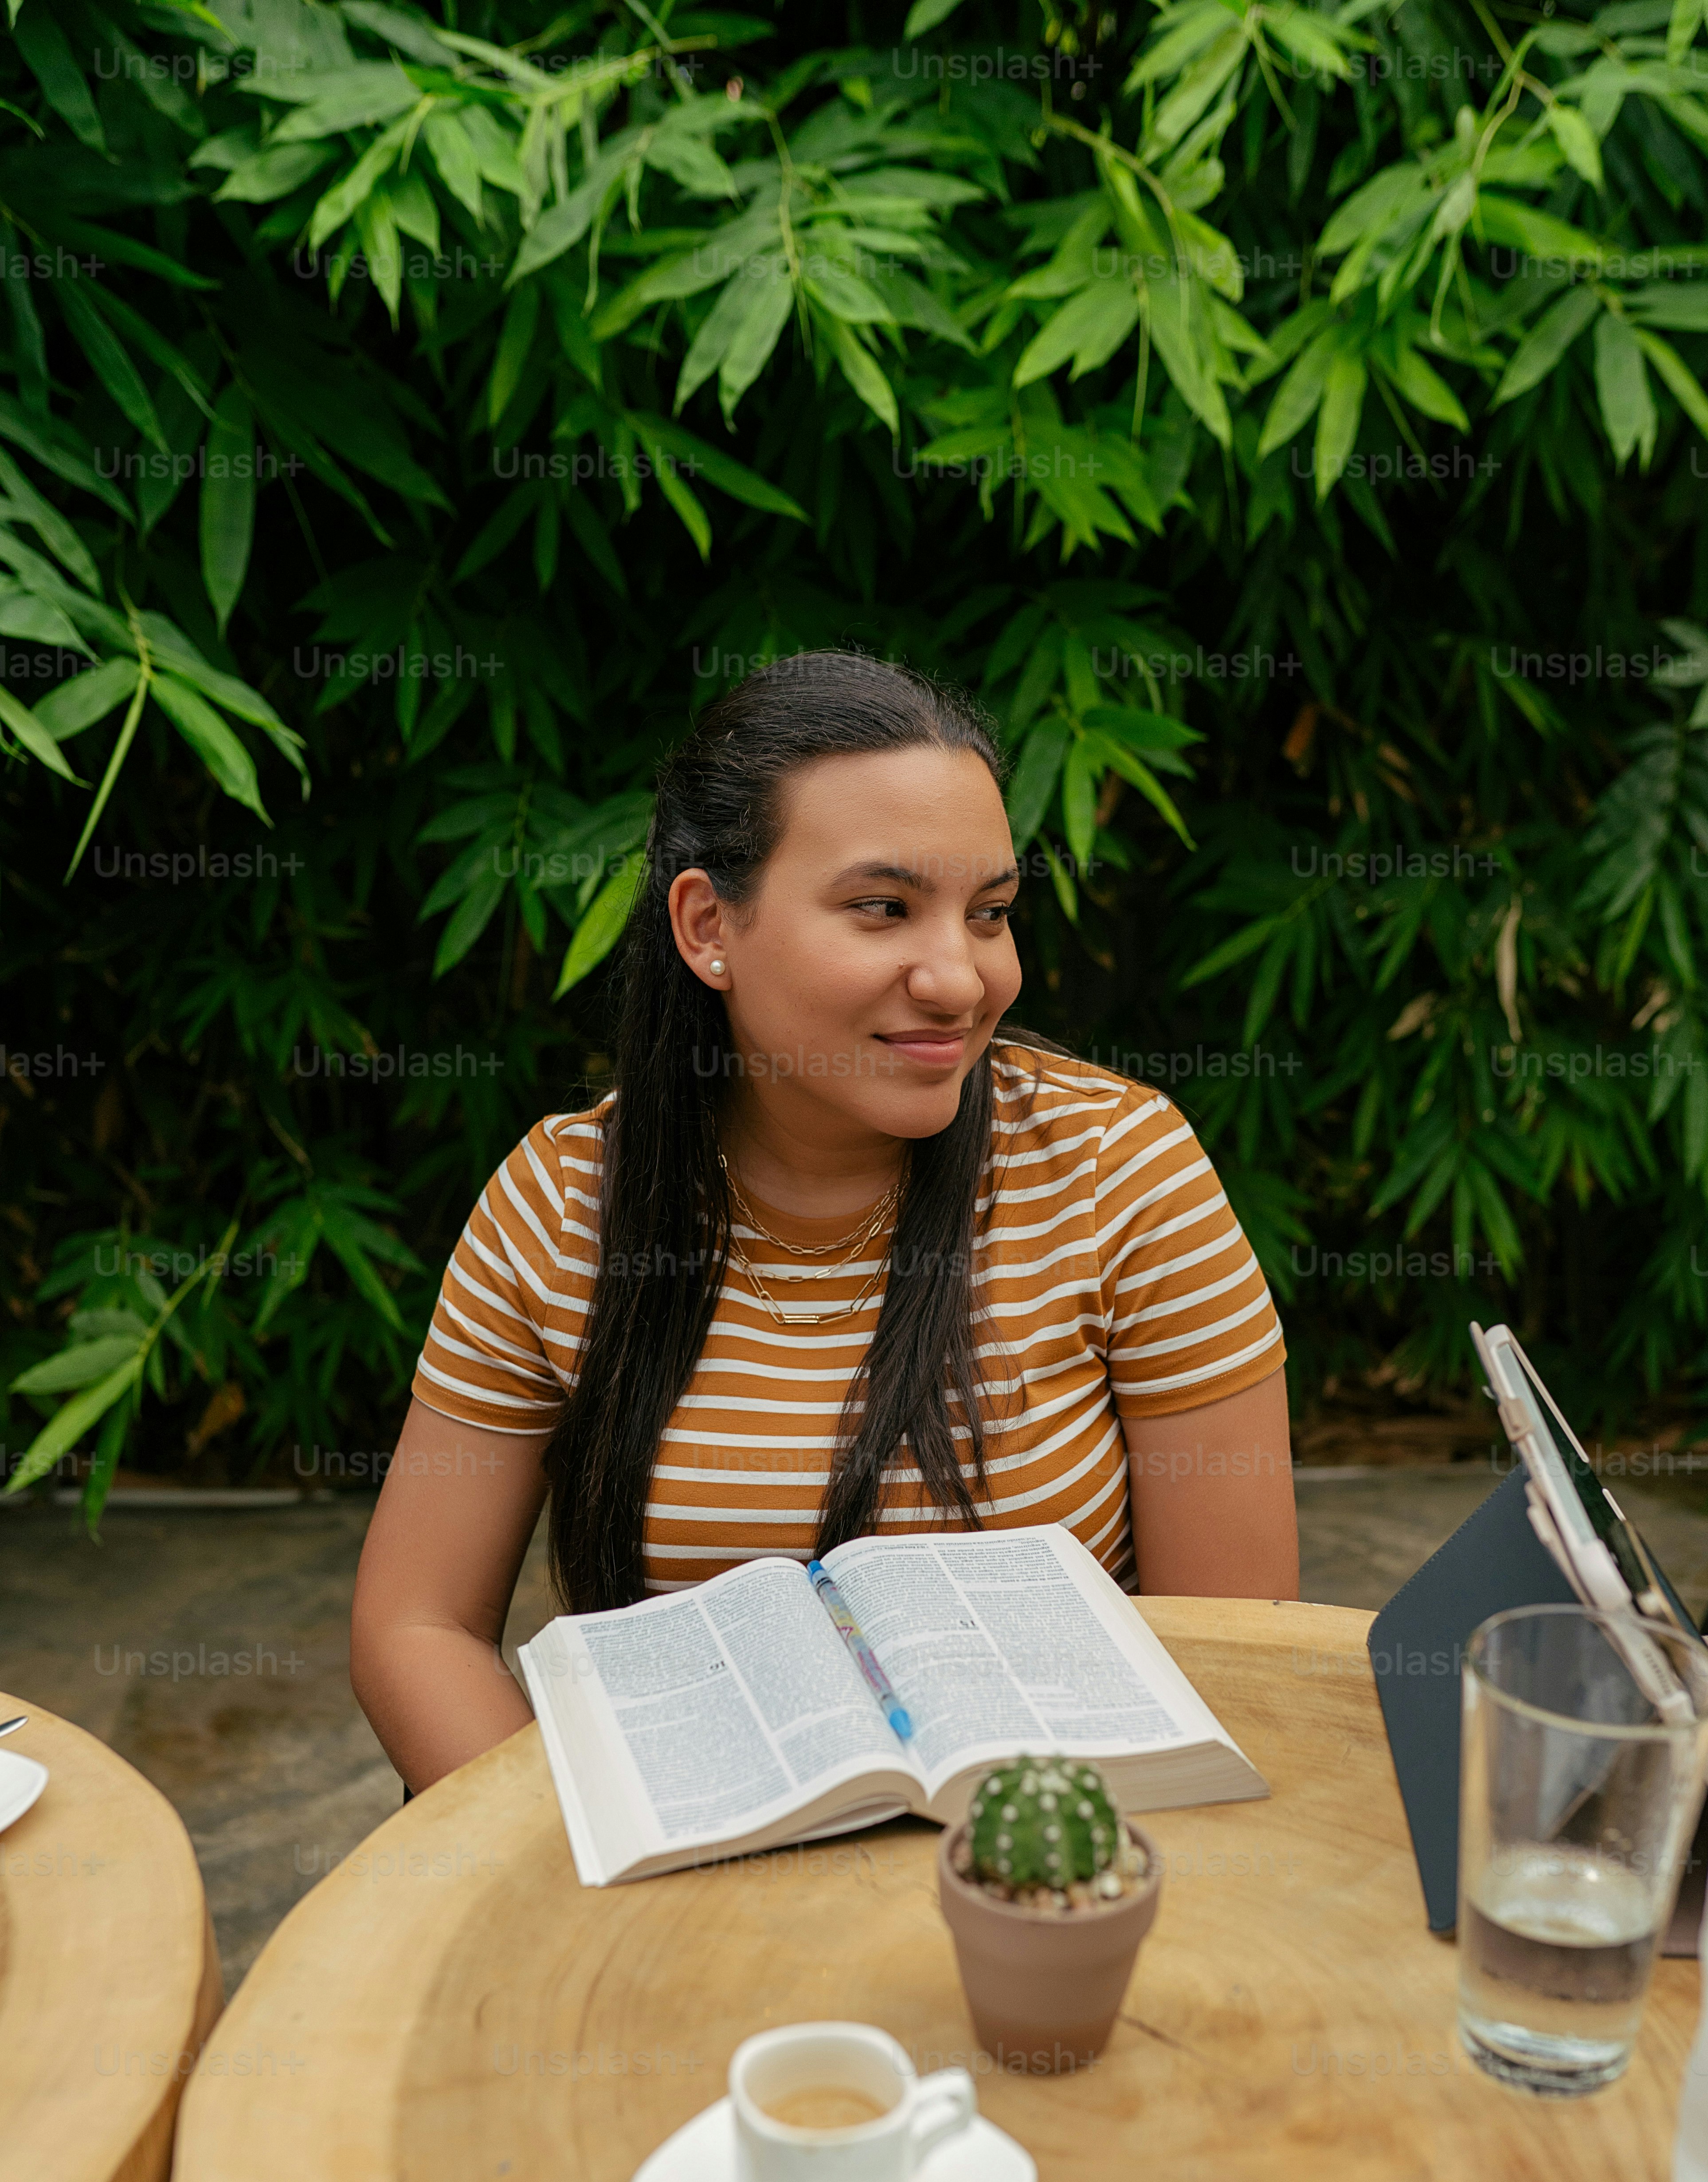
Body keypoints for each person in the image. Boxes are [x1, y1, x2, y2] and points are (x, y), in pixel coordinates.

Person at [351, 652, 1297, 1793]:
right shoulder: (564, 1209)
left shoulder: (1117, 1170)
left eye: (988, 914)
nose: (958, 978)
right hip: (694, 1876)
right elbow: (418, 1628)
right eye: (882, 909)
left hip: (1048, 1857)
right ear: (709, 926)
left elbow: (1238, 1649)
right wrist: (577, 1852)